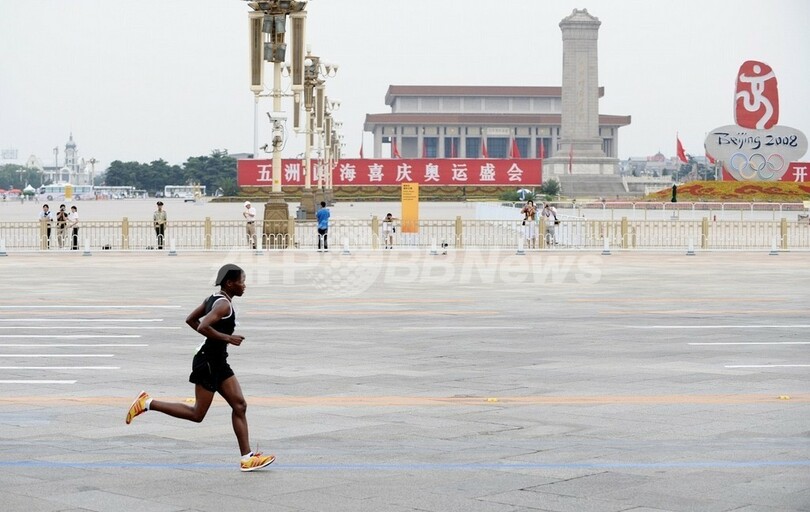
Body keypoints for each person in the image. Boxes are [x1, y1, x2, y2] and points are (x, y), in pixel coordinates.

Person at [125, 264, 274, 472]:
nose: (244, 285)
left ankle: (247, 458)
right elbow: (202, 325)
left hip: (218, 361)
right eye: (241, 281)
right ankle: (147, 403)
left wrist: (217, 342)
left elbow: (190, 320)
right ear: (230, 283)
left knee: (239, 405)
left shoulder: (212, 299)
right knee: (197, 414)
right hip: (209, 363)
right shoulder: (223, 306)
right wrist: (227, 338)